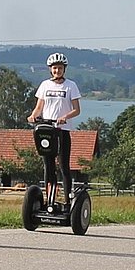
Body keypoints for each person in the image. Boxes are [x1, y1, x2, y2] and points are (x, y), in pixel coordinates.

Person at [27, 52, 81, 207]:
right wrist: (32, 116)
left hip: (62, 130)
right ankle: (48, 197)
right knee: (48, 165)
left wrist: (65, 117)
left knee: (64, 166)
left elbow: (77, 110)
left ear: (64, 69)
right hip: (47, 129)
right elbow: (39, 107)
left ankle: (67, 199)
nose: (57, 71)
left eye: (60, 68)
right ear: (50, 69)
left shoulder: (71, 86)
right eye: (54, 68)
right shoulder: (45, 85)